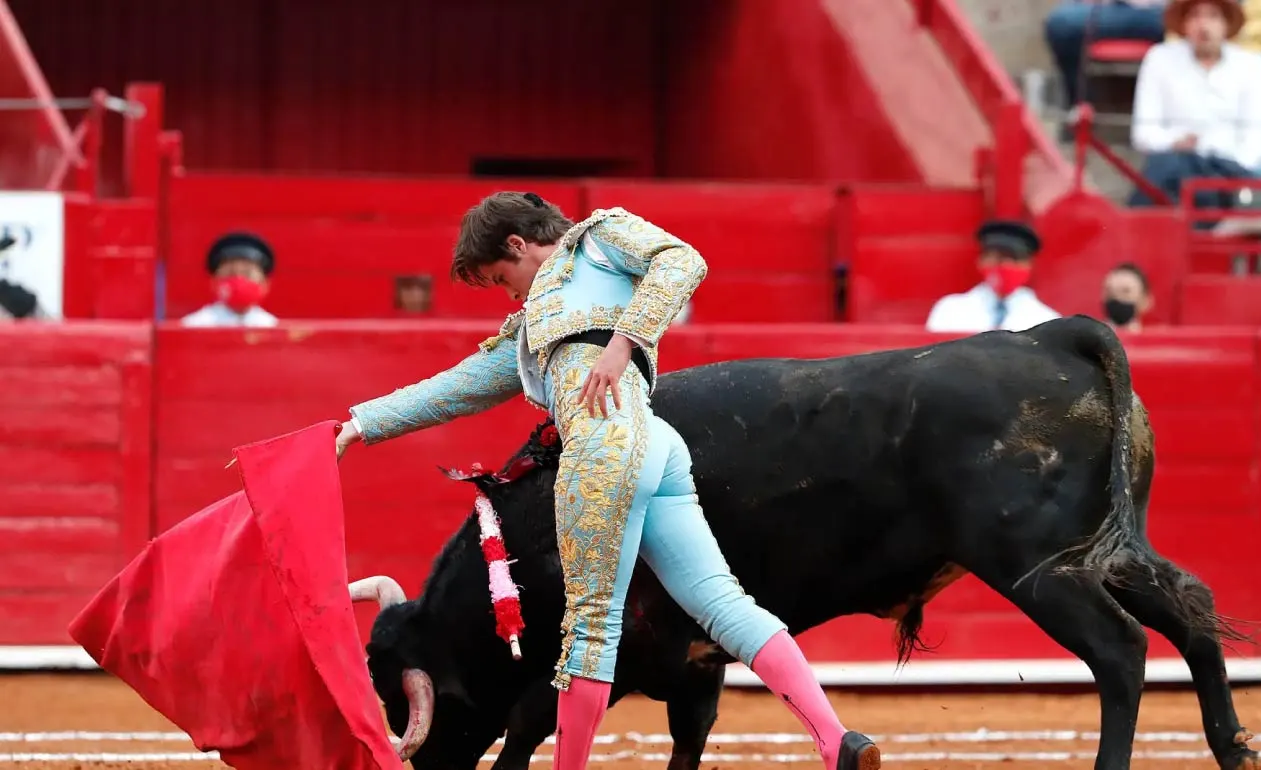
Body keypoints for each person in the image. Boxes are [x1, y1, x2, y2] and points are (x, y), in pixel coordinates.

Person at [336, 192, 881, 770]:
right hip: (654, 443)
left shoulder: (601, 237)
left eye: (503, 278)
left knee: (591, 628)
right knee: (723, 603)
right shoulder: (534, 323)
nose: (512, 296)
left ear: (519, 244)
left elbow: (683, 261)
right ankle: (835, 740)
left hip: (602, 447)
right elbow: (460, 385)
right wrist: (363, 423)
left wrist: (624, 343)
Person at [1129, 0, 1261, 206]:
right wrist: (1175, 141)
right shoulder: (1159, 59)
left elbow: (1256, 142)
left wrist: (1219, 166)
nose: (1203, 25)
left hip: (1232, 171)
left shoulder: (1252, 65)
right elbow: (1143, 133)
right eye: (1195, 16)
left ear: (1226, 23)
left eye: (1213, 16)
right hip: (1177, 167)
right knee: (1167, 168)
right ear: (1184, 23)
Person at [924, 220, 1061, 333]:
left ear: (1029, 266)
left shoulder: (1047, 320)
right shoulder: (950, 310)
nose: (1006, 265)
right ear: (981, 261)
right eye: (999, 258)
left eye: (1015, 259)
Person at [1043, 0, 1168, 111]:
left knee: (1063, 22)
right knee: (1061, 22)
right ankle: (1082, 112)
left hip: (1153, 11)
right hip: (1100, 9)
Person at [181, 233, 279, 328]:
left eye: (247, 274)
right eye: (231, 273)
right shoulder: (193, 326)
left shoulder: (273, 328)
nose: (239, 281)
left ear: (265, 284)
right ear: (214, 283)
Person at [1100, 262, 1154, 330]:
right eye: (1110, 292)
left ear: (1145, 301)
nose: (1117, 298)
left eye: (1126, 292)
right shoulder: (1090, 339)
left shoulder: (1157, 339)